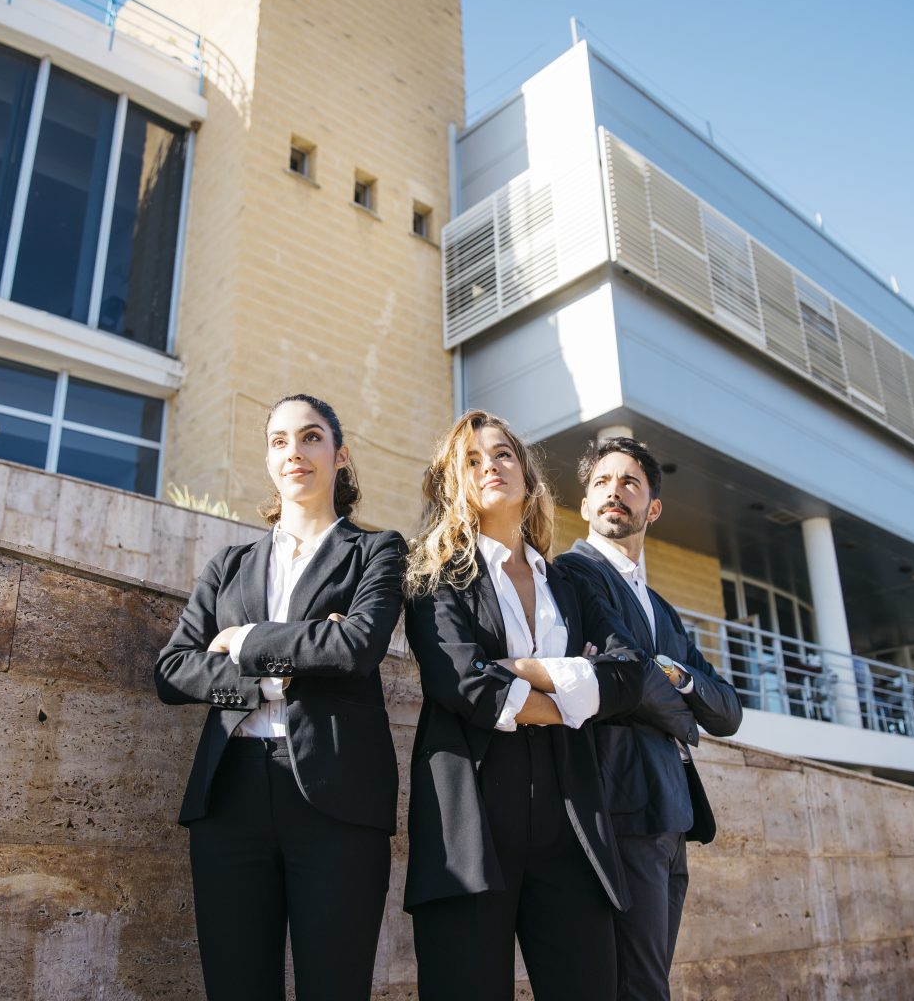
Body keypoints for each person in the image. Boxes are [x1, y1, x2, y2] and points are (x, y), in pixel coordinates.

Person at [154, 393, 404, 1001]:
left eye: (312, 437)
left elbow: (357, 647)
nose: (295, 451)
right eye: (279, 441)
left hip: (337, 797)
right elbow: (172, 670)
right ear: (269, 462)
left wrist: (241, 639)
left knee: (335, 986)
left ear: (339, 456)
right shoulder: (228, 565)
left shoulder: (378, 550)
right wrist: (276, 672)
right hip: (230, 794)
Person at [403, 410, 659, 1001]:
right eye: (471, 460)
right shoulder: (433, 572)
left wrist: (519, 671)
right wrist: (574, 699)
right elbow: (464, 686)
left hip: (571, 816)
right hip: (470, 819)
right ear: (453, 484)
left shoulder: (569, 580)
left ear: (527, 474)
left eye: (502, 454)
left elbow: (629, 675)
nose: (490, 466)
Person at [554, 436, 743, 1001]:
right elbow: (630, 675)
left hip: (673, 812)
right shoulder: (575, 573)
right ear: (585, 504)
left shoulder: (662, 607)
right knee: (637, 986)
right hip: (620, 801)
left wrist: (680, 678)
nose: (616, 492)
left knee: (648, 977)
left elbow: (728, 711)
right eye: (602, 484)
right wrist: (686, 717)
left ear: (652, 508)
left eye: (630, 483)